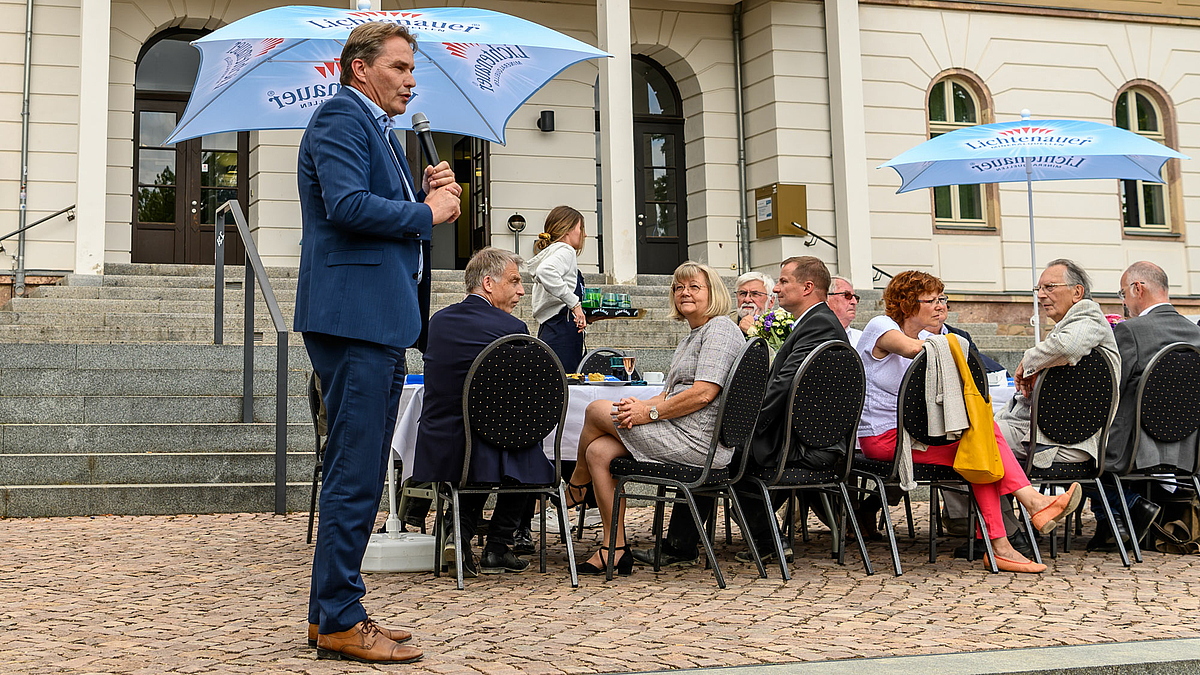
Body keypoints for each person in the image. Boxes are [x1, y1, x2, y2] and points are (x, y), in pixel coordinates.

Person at [294, 22, 461, 664]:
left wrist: (420, 195)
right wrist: (427, 215)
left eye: (411, 69)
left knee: (359, 469)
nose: (410, 79)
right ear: (360, 68)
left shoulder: (380, 131)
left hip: (379, 319)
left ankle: (330, 614)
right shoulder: (341, 115)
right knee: (356, 472)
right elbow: (346, 206)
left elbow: (374, 205)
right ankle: (340, 617)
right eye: (398, 67)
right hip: (354, 317)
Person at [856, 270, 1081, 573]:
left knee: (979, 449)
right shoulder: (881, 327)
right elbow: (911, 350)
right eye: (931, 300)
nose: (941, 307)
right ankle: (1026, 512)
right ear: (907, 304)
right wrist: (953, 347)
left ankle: (1007, 539)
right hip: (883, 439)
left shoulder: (931, 338)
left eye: (942, 299)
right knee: (980, 447)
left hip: (914, 434)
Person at [631, 256, 850, 567]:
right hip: (803, 434)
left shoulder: (817, 326)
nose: (776, 287)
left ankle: (692, 546)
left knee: (717, 448)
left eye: (784, 281)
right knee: (720, 445)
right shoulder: (818, 322)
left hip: (810, 443)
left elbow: (783, 389)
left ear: (808, 287)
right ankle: (762, 542)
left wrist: (738, 421)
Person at [562, 262, 744, 575]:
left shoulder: (720, 330)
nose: (684, 292)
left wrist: (650, 412)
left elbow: (703, 393)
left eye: (694, 287)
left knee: (595, 410)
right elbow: (673, 392)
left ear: (713, 293)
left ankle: (576, 485)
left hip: (699, 443)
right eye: (678, 287)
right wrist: (644, 404)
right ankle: (614, 548)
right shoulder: (695, 334)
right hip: (679, 431)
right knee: (599, 451)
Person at [411, 248, 554, 575]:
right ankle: (498, 546)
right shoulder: (511, 328)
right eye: (515, 281)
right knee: (525, 445)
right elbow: (527, 397)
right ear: (488, 283)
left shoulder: (438, 322)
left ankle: (458, 534)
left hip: (441, 443)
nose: (521, 290)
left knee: (496, 443)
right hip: (487, 444)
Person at [1090, 261, 1200, 551]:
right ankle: (1112, 526)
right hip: (1189, 451)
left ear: (1138, 288)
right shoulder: (1196, 334)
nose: (1123, 302)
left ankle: (1132, 509)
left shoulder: (1131, 331)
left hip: (1135, 449)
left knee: (1077, 453)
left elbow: (1108, 390)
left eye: (1122, 293)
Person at [994, 259, 1120, 469]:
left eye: (1049, 287)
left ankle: (1024, 502)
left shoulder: (1087, 315)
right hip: (1043, 432)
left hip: (1058, 440)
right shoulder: (1072, 323)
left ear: (1077, 293)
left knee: (969, 444)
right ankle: (1023, 502)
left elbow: (1067, 347)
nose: (1041, 295)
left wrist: (1028, 361)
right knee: (973, 442)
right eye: (1039, 288)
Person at [528, 206, 588, 372]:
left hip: (551, 330)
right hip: (562, 334)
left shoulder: (552, 252)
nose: (584, 234)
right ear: (567, 230)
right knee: (565, 389)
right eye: (581, 228)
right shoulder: (565, 250)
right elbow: (545, 271)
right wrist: (575, 305)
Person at [734, 271, 776, 335]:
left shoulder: (779, 326)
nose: (747, 299)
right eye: (743, 293)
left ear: (771, 302)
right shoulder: (725, 324)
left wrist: (754, 330)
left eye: (755, 294)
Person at [828, 276, 862, 347]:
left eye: (855, 297)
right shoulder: (815, 336)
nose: (854, 302)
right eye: (847, 295)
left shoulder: (861, 338)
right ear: (828, 298)